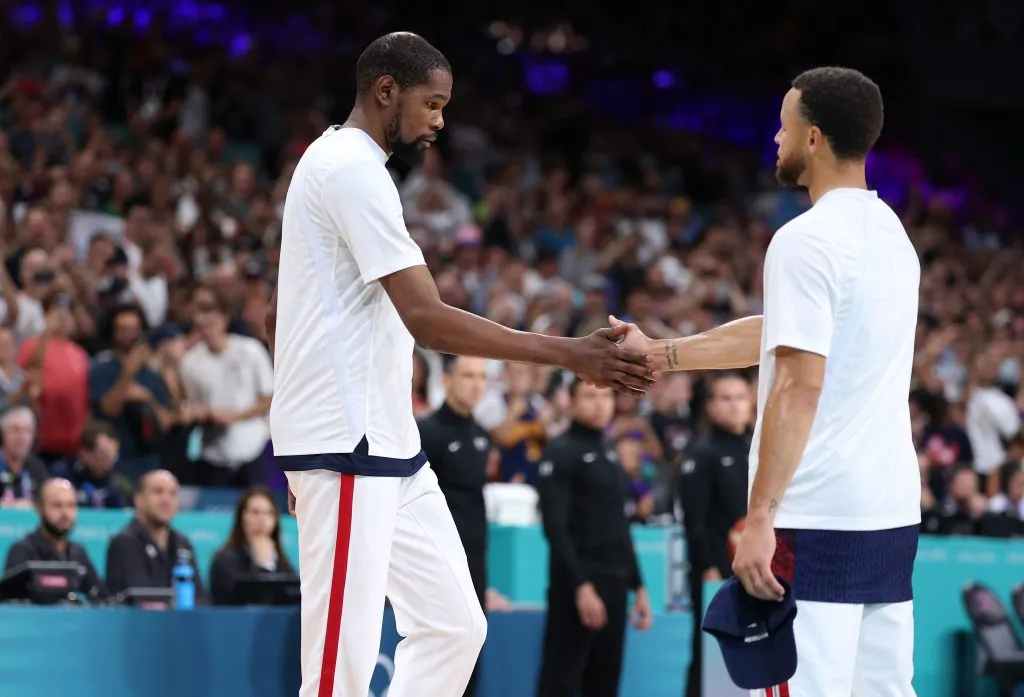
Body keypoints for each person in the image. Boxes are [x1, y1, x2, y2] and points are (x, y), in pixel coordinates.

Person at [265, 32, 653, 697]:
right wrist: (569, 353)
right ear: (386, 90)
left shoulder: (355, 166)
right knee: (338, 675)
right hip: (344, 440)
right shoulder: (348, 167)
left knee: (453, 625)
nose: (441, 120)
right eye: (433, 103)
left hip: (388, 443)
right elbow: (427, 317)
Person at [615, 67, 919, 696]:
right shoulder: (892, 234)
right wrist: (664, 354)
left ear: (813, 137)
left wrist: (760, 518)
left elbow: (797, 387)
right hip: (888, 512)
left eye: (783, 124)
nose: (774, 138)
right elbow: (783, 332)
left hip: (813, 516)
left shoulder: (804, 240)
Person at [534, 379, 653, 697]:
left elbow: (620, 524)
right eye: (588, 396)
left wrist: (638, 586)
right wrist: (582, 587)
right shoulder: (559, 451)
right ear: (571, 402)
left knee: (604, 681)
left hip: (615, 583)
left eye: (605, 396)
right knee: (561, 679)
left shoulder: (609, 452)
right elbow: (555, 529)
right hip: (577, 585)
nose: (599, 404)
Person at [417, 355, 494, 697]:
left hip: (475, 557)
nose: (476, 384)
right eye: (467, 375)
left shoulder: (481, 436)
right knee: (441, 648)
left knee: (472, 648)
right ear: (446, 380)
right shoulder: (427, 432)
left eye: (481, 377)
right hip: (438, 557)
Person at [677, 373, 753, 697]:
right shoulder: (702, 453)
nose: (735, 406)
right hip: (717, 571)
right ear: (709, 406)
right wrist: (707, 567)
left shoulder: (758, 448)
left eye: (740, 397)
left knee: (755, 651)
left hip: (757, 569)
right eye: (726, 398)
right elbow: (694, 520)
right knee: (710, 653)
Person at [104, 469, 207, 602]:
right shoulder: (125, 543)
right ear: (139, 499)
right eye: (158, 492)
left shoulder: (182, 543)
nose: (166, 500)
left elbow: (200, 599)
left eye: (173, 494)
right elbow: (143, 600)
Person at [3, 478, 105, 602]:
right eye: (57, 505)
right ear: (39, 508)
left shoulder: (78, 552)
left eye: (71, 505)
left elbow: (99, 596)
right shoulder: (22, 550)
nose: (65, 513)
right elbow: (10, 603)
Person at [209, 485, 297, 605]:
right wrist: (263, 564)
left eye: (269, 513)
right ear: (242, 517)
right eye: (255, 512)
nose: (262, 520)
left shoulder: (281, 562)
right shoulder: (224, 560)